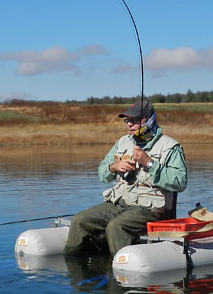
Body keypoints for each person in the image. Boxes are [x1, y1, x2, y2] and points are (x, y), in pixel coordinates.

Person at [64, 99, 187, 256]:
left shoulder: (170, 147)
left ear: (149, 120)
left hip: (151, 209)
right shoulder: (122, 142)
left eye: (135, 120)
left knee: (116, 227)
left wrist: (149, 163)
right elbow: (102, 173)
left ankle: (121, 273)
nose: (129, 124)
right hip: (119, 203)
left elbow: (180, 182)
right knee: (79, 220)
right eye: (127, 120)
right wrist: (114, 167)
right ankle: (74, 271)